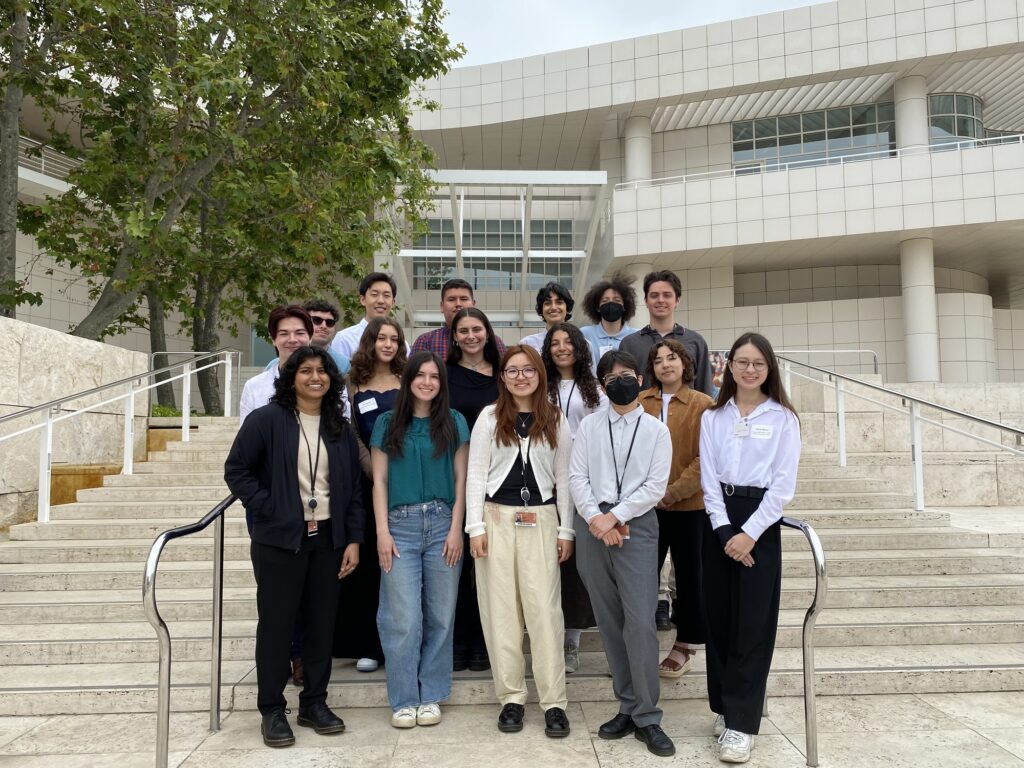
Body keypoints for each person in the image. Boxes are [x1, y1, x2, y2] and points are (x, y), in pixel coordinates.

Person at [224, 346, 363, 748]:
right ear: (292, 377)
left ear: (332, 380)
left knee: (322, 625)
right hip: (280, 540)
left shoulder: (338, 427)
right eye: (306, 371)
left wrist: (353, 539)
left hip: (329, 539)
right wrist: (270, 507)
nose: (315, 377)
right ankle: (271, 709)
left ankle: (314, 703)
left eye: (322, 371)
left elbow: (353, 490)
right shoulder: (266, 420)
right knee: (277, 626)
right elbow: (237, 470)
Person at [568, 350, 675, 758]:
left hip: (637, 526)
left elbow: (654, 486)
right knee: (610, 622)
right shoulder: (590, 426)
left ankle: (649, 715)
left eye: (627, 375)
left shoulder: (656, 430)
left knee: (641, 622)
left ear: (641, 378)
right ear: (601, 384)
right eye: (611, 378)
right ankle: (627, 705)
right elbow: (576, 476)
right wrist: (597, 519)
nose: (620, 382)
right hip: (592, 526)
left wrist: (615, 518)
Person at [699, 332, 800, 764]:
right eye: (742, 361)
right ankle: (725, 707)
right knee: (719, 619)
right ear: (729, 366)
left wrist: (749, 533)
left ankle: (743, 723)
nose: (750, 369)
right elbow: (707, 478)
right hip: (719, 520)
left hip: (760, 521)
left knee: (752, 624)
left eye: (758, 363)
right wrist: (724, 532)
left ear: (769, 368)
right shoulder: (713, 415)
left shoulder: (783, 419)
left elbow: (782, 487)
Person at [466, 345, 574, 738]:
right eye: (513, 370)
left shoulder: (555, 419)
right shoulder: (489, 417)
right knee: (500, 613)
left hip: (542, 520)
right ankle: (511, 697)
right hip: (496, 520)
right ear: (503, 377)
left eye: (528, 369)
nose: (521, 376)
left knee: (544, 613)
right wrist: (474, 527)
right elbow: (476, 474)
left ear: (540, 374)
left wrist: (567, 530)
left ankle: (554, 703)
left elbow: (565, 479)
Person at [370, 351, 469, 729]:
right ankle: (404, 698)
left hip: (443, 522)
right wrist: (382, 531)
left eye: (434, 376)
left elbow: (461, 480)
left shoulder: (455, 422)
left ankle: (432, 695)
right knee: (403, 617)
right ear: (408, 379)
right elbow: (378, 480)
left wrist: (456, 528)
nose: (427, 382)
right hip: (400, 526)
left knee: (441, 614)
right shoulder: (386, 423)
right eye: (421, 375)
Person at [333, 317, 407, 674]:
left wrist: (402, 472)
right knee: (370, 571)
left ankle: (404, 644)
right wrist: (374, 470)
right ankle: (369, 645)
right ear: (369, 342)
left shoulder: (409, 380)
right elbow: (351, 434)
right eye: (381, 338)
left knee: (402, 566)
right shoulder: (351, 383)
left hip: (409, 483)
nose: (388, 344)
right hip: (366, 484)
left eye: (394, 338)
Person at [638, 339, 713, 679]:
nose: (665, 364)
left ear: (685, 364)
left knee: (691, 576)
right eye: (658, 360)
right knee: (641, 574)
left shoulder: (703, 404)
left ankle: (685, 643)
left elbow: (706, 458)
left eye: (672, 358)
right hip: (645, 507)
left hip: (690, 507)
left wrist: (673, 492)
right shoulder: (640, 402)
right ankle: (638, 646)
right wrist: (650, 493)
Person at [541, 322, 607, 674]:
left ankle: (573, 638)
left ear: (580, 348)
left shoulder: (595, 388)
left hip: (584, 482)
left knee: (578, 562)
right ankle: (548, 634)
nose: (562, 347)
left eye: (569, 342)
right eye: (555, 342)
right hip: (544, 482)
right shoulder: (540, 385)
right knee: (553, 559)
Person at [445, 306, 502, 670]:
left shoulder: (504, 375)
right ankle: (457, 639)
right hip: (451, 475)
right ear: (453, 337)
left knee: (486, 562)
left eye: (476, 329)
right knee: (456, 561)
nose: (470, 336)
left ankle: (483, 641)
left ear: (487, 332)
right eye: (463, 330)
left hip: (496, 478)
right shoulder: (444, 375)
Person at [620, 270, 713, 396]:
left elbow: (704, 389)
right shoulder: (629, 344)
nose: (660, 300)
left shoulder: (696, 341)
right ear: (646, 301)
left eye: (667, 295)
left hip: (687, 415)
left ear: (677, 300)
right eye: (654, 295)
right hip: (643, 413)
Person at [411, 277, 508, 360]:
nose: (458, 304)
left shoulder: (493, 342)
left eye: (464, 299)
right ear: (442, 306)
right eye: (451, 299)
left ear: (473, 304)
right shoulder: (426, 342)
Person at [331, 273, 409, 359]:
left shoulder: (401, 343)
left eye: (386, 295)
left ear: (393, 303)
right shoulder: (344, 339)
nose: (381, 301)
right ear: (363, 300)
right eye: (374, 294)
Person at [266, 299, 351, 375]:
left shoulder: (344, 364)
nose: (324, 326)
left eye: (329, 322)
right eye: (317, 320)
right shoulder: (273, 366)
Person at [579, 271, 639, 371]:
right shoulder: (584, 334)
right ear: (597, 307)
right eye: (605, 301)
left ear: (625, 306)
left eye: (617, 300)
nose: (611, 304)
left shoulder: (637, 335)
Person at [519, 281, 575, 352]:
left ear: (567, 307)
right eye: (548, 303)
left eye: (559, 302)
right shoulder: (527, 344)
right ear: (541, 309)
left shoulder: (582, 343)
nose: (553, 307)